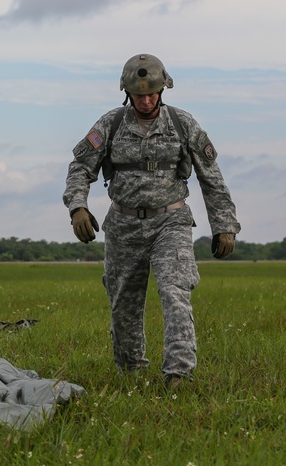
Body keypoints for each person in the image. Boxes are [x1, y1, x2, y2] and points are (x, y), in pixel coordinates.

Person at [63, 53, 240, 388]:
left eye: (152, 94)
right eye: (139, 95)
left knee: (175, 293)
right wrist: (77, 207)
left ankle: (179, 373)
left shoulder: (182, 124)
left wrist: (224, 225)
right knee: (123, 303)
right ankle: (131, 373)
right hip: (123, 226)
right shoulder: (110, 125)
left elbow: (211, 178)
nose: (146, 100)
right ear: (127, 94)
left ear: (163, 90)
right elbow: (80, 169)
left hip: (170, 222)